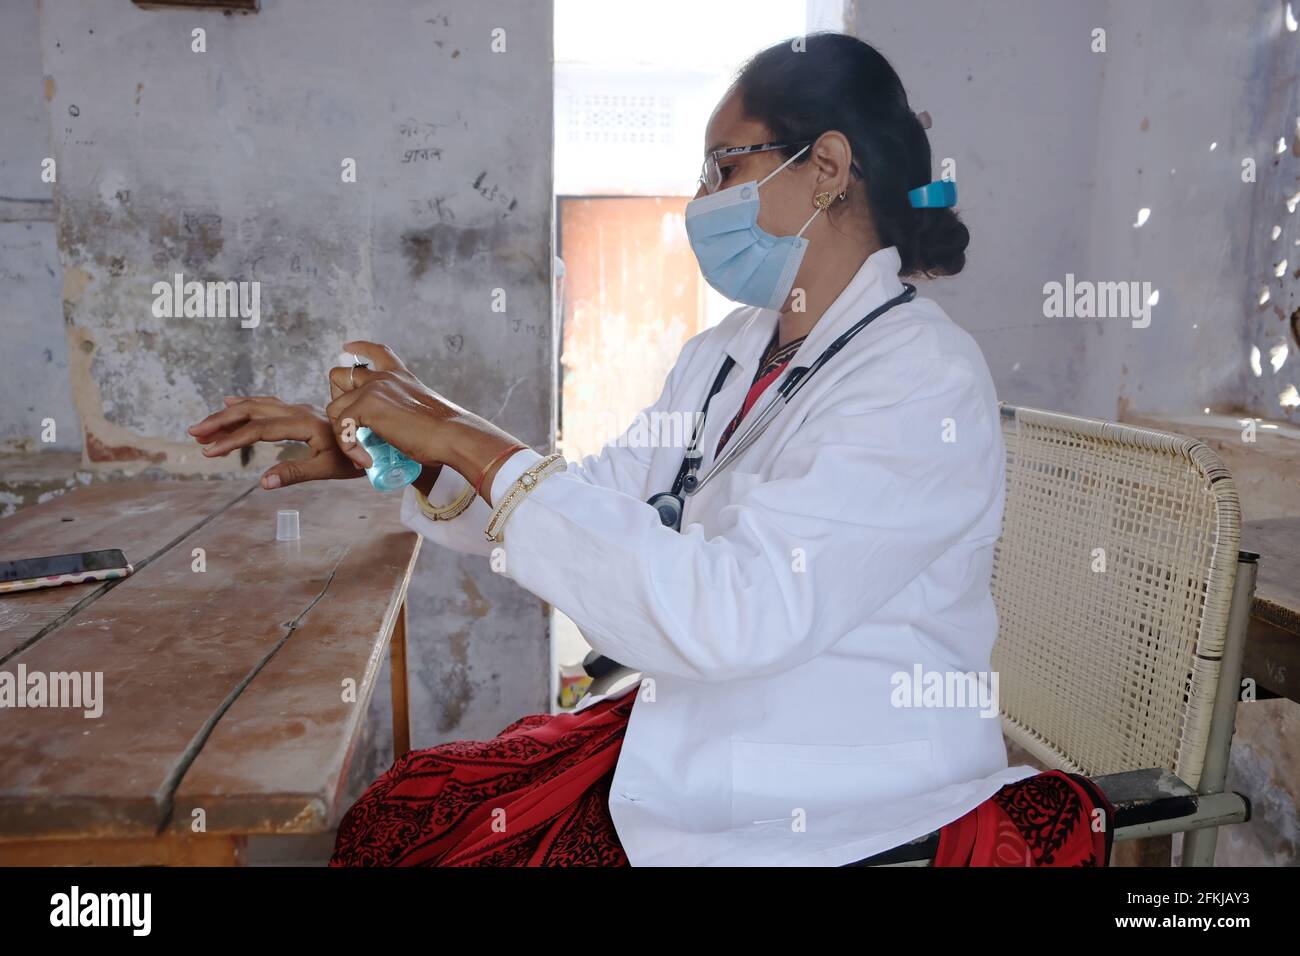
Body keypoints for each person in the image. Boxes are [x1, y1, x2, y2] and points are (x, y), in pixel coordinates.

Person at [189, 33, 1110, 867]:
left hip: (838, 786)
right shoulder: (730, 352)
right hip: (705, 734)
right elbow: (592, 497)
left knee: (424, 849)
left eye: (721, 167)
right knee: (402, 811)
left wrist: (461, 432)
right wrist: (400, 449)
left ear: (826, 166)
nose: (701, 201)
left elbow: (738, 615)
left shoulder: (922, 377)